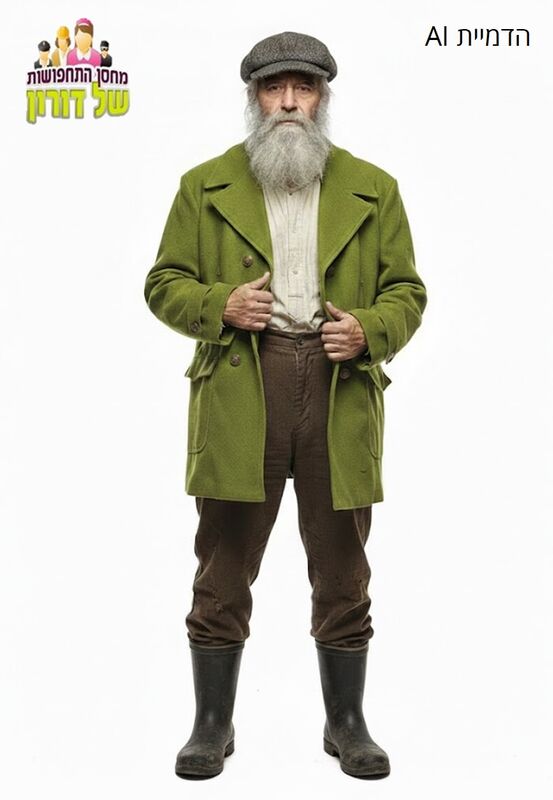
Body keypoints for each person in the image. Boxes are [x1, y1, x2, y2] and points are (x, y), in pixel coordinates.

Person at [144, 30, 427, 780]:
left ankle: (346, 723)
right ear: (255, 98)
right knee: (222, 566)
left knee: (343, 570)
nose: (290, 103)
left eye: (304, 88)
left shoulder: (374, 187)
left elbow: (407, 292)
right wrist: (218, 304)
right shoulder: (203, 185)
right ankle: (212, 725)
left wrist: (367, 330)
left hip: (339, 389)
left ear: (322, 97)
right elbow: (163, 284)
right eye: (275, 89)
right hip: (244, 385)